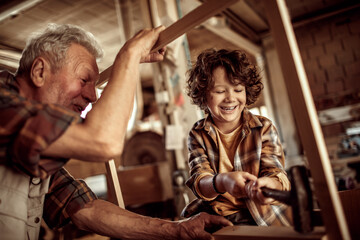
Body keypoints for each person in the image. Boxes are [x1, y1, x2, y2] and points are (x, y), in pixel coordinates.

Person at [0, 24, 232, 240]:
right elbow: (103, 142)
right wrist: (129, 56)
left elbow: (84, 208)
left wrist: (177, 229)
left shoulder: (33, 142)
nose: (93, 96)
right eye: (84, 80)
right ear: (40, 71)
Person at [184, 48, 293, 226]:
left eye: (238, 89)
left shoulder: (263, 128)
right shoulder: (197, 134)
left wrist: (270, 185)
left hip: (263, 218)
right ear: (203, 95)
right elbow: (199, 181)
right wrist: (222, 182)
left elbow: (276, 174)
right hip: (218, 220)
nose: (230, 98)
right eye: (220, 91)